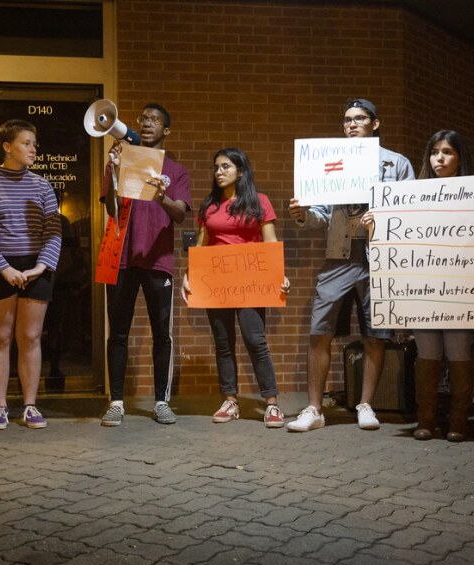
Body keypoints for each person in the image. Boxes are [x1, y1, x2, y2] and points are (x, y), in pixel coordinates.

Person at [286, 98, 414, 432]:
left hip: (379, 256)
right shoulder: (332, 161)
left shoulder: (396, 164)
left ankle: (366, 404)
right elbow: (321, 215)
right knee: (319, 329)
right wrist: (304, 215)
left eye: (359, 118)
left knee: (375, 332)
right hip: (339, 255)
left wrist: (383, 217)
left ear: (375, 123)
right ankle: (314, 409)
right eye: (346, 120)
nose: (351, 124)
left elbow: (412, 209)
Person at [181, 148, 289, 428]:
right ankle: (230, 400)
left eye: (226, 167)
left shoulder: (259, 202)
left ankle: (272, 404)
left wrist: (280, 275)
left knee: (255, 340)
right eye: (216, 167)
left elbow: (270, 242)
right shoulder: (209, 206)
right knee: (223, 343)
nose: (219, 172)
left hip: (251, 281)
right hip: (217, 283)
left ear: (240, 171)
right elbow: (200, 245)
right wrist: (188, 274)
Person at [0, 119, 61, 431]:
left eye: (35, 144)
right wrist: (4, 268)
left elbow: (53, 230)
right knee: (0, 337)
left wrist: (40, 266)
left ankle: (30, 405)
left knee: (31, 337)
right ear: (7, 147)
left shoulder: (43, 185)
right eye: (26, 143)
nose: (33, 149)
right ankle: (0, 407)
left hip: (36, 266)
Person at [101, 103, 192, 426]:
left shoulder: (177, 170)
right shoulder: (121, 161)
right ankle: (116, 401)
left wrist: (161, 198)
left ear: (166, 130)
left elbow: (180, 213)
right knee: (118, 333)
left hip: (158, 261)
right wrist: (112, 171)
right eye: (144, 119)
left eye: (155, 120)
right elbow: (112, 209)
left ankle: (161, 401)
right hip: (122, 259)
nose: (147, 124)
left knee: (161, 335)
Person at [408, 130, 474, 442]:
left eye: (447, 152)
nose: (439, 158)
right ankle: (426, 420)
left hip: (459, 290)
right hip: (424, 289)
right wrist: (376, 223)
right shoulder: (412, 194)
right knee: (427, 355)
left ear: (460, 157)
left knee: (459, 354)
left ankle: (458, 420)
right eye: (434, 152)